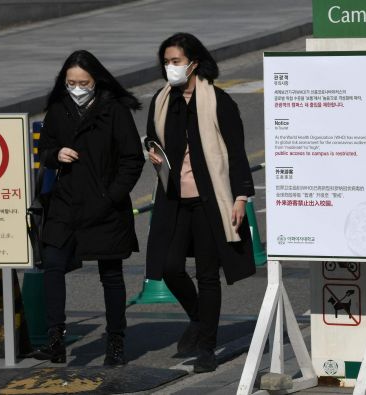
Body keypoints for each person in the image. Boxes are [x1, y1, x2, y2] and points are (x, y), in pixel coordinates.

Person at [144, 33, 256, 373]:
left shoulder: (219, 102)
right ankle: (199, 317)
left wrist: (240, 198)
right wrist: (150, 151)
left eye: (176, 61)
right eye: (166, 61)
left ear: (194, 62)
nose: (170, 68)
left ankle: (206, 347)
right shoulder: (162, 101)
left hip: (211, 200)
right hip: (173, 198)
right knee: (168, 266)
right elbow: (152, 136)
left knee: (208, 274)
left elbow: (236, 154)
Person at [32, 50, 144, 366]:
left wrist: (112, 195)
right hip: (65, 202)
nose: (77, 88)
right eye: (71, 82)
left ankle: (116, 341)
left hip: (105, 205)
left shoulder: (115, 111)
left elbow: (132, 159)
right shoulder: (58, 108)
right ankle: (56, 338)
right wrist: (56, 155)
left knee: (110, 273)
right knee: (52, 263)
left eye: (83, 82)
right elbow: (45, 149)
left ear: (96, 80)